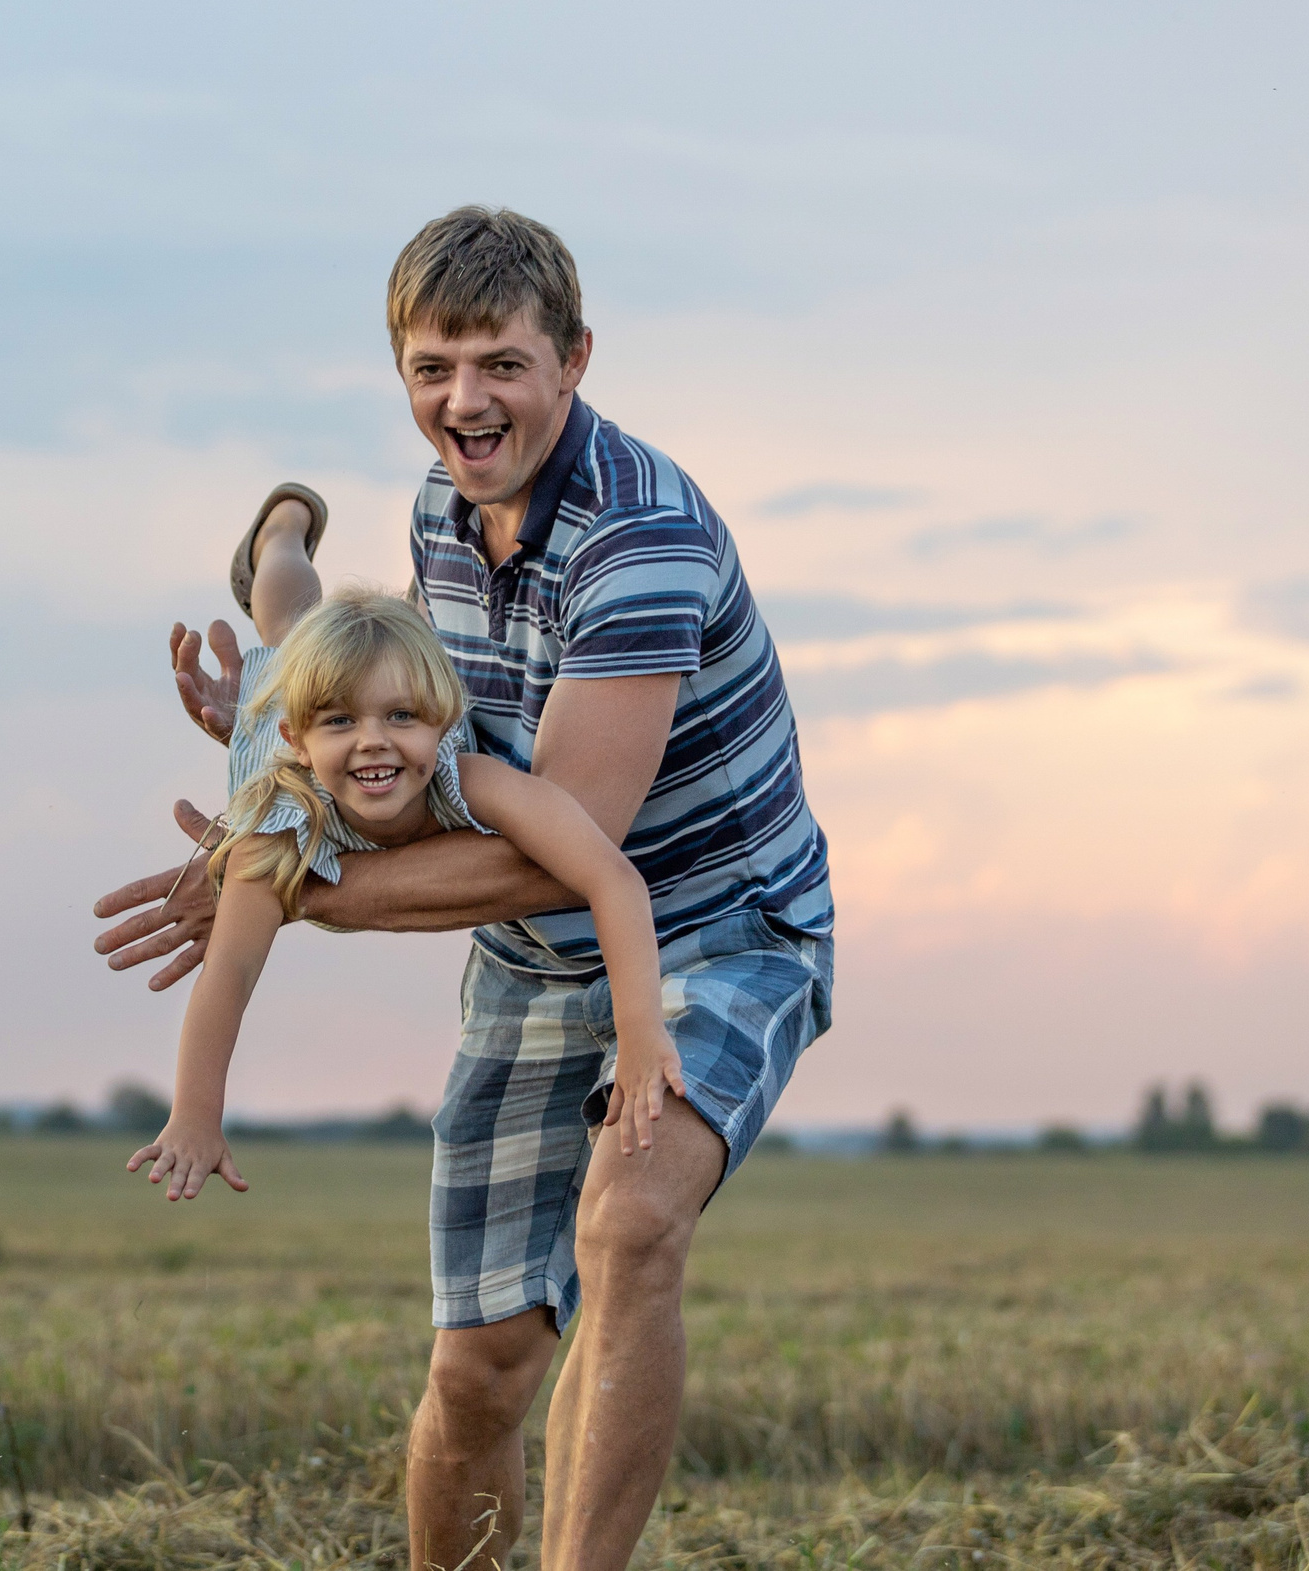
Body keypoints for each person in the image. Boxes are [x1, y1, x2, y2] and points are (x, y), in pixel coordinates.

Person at [93, 207, 834, 1571]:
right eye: (434, 367)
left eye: (501, 362)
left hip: (717, 928)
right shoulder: (444, 503)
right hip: (530, 957)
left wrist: (284, 885)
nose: (466, 399)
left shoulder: (638, 545)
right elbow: (425, 728)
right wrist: (291, 743)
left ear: (575, 359)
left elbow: (556, 843)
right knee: (481, 1367)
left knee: (628, 1219)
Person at [126, 492, 685, 1205]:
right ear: (301, 739)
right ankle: (280, 533)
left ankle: (356, 624)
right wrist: (195, 1116)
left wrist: (640, 1033)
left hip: (372, 694)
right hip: (280, 724)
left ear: (443, 714)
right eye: (340, 722)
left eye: (401, 715)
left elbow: (611, 876)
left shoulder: (468, 775)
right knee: (289, 621)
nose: (374, 741)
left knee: (357, 640)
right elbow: (228, 973)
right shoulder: (276, 832)